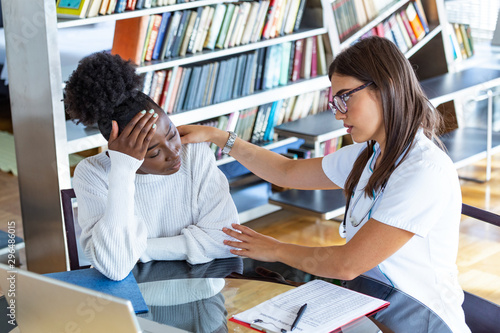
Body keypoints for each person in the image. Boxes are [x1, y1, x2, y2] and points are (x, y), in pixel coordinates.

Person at [178, 36, 470, 332]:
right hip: (372, 305)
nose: (339, 113)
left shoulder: (423, 170)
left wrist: (276, 249)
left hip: (422, 320)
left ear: (385, 88)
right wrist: (219, 138)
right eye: (335, 101)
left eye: (345, 97)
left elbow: (348, 263)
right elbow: (286, 172)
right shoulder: (369, 154)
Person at [64, 52, 239, 281]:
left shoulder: (193, 153)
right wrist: (122, 170)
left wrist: (139, 249)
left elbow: (226, 241)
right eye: (154, 152)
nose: (174, 151)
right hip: (131, 299)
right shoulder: (93, 173)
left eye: (172, 133)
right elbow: (116, 266)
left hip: (201, 294)